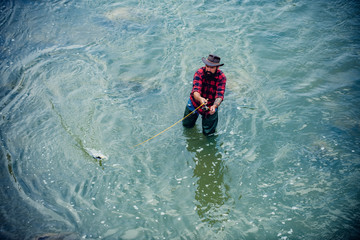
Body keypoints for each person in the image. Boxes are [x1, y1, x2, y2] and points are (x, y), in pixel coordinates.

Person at [182, 54, 227, 135]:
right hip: (194, 103)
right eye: (207, 66)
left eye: (212, 67)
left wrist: (214, 106)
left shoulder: (222, 77)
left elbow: (220, 95)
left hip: (211, 107)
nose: (208, 69)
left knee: (209, 133)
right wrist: (200, 99)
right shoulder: (199, 72)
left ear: (217, 67)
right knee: (186, 125)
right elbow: (196, 91)